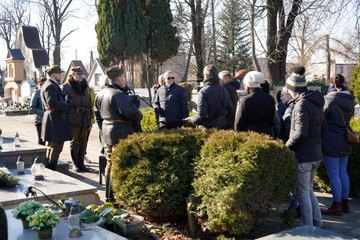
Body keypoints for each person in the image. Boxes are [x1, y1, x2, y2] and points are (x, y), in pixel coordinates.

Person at [94, 65, 142, 202]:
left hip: (107, 132)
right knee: (119, 163)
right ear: (118, 78)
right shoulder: (118, 94)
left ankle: (109, 195)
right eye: (122, 77)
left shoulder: (100, 93)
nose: (124, 80)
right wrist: (136, 108)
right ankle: (117, 195)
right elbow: (132, 113)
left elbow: (97, 114)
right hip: (121, 132)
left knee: (110, 163)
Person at [285, 73, 324, 228]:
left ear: (292, 88)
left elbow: (301, 133)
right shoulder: (316, 102)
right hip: (315, 153)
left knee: (303, 192)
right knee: (309, 190)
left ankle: (308, 226)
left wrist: (287, 146)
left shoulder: (301, 105)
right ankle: (318, 223)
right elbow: (323, 129)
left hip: (305, 156)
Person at [321, 74, 355, 215]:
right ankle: (345, 204)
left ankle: (337, 205)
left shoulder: (330, 98)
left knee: (334, 174)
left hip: (331, 140)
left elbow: (323, 116)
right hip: (345, 139)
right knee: (342, 172)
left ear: (332, 85)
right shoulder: (350, 99)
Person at [62, 67, 93, 172]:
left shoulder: (86, 86)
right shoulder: (66, 87)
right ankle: (75, 163)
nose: (80, 76)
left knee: (83, 141)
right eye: (77, 74)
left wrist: (90, 118)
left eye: (81, 74)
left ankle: (81, 163)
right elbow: (63, 104)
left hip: (85, 118)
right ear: (72, 75)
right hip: (73, 118)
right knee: (74, 141)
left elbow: (90, 104)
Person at [41, 65, 72, 171]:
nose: (60, 75)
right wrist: (66, 106)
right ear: (54, 74)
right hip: (55, 118)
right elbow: (52, 102)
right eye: (59, 73)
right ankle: (51, 168)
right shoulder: (51, 85)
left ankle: (49, 166)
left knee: (52, 145)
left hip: (53, 117)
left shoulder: (49, 84)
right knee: (56, 145)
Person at [184, 65, 233, 129]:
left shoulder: (203, 91)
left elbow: (201, 115)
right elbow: (230, 111)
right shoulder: (224, 89)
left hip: (206, 129)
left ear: (206, 75)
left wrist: (192, 119)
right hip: (221, 127)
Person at [234, 71, 275, 135]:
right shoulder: (270, 98)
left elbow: (239, 123)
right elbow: (271, 120)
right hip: (266, 134)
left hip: (250, 136)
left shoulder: (245, 100)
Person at [30, 75, 46, 145]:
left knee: (48, 139)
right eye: (43, 84)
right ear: (40, 84)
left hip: (47, 120)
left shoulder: (47, 92)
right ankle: (41, 156)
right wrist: (44, 113)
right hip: (39, 120)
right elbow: (32, 108)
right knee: (41, 140)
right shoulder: (36, 93)